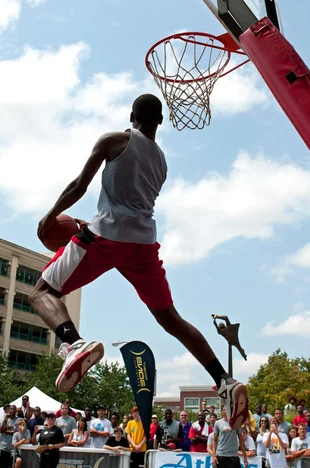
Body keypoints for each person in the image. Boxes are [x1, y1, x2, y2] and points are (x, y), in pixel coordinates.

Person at [31, 94, 249, 429]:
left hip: (106, 236)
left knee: (42, 292)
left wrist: (50, 217)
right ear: (159, 121)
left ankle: (73, 344)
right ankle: (224, 382)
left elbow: (79, 185)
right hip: (143, 244)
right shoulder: (161, 161)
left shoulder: (114, 140)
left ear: (131, 115)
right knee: (171, 319)